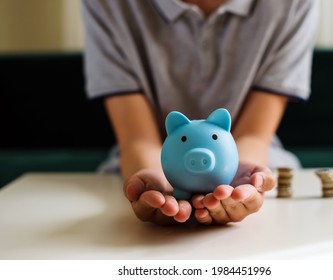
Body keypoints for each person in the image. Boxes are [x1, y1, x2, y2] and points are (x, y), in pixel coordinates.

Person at [81, 0, 318, 225]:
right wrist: (155, 179)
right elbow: (137, 139)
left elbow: (255, 135)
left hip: (252, 158)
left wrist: (238, 182)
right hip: (141, 165)